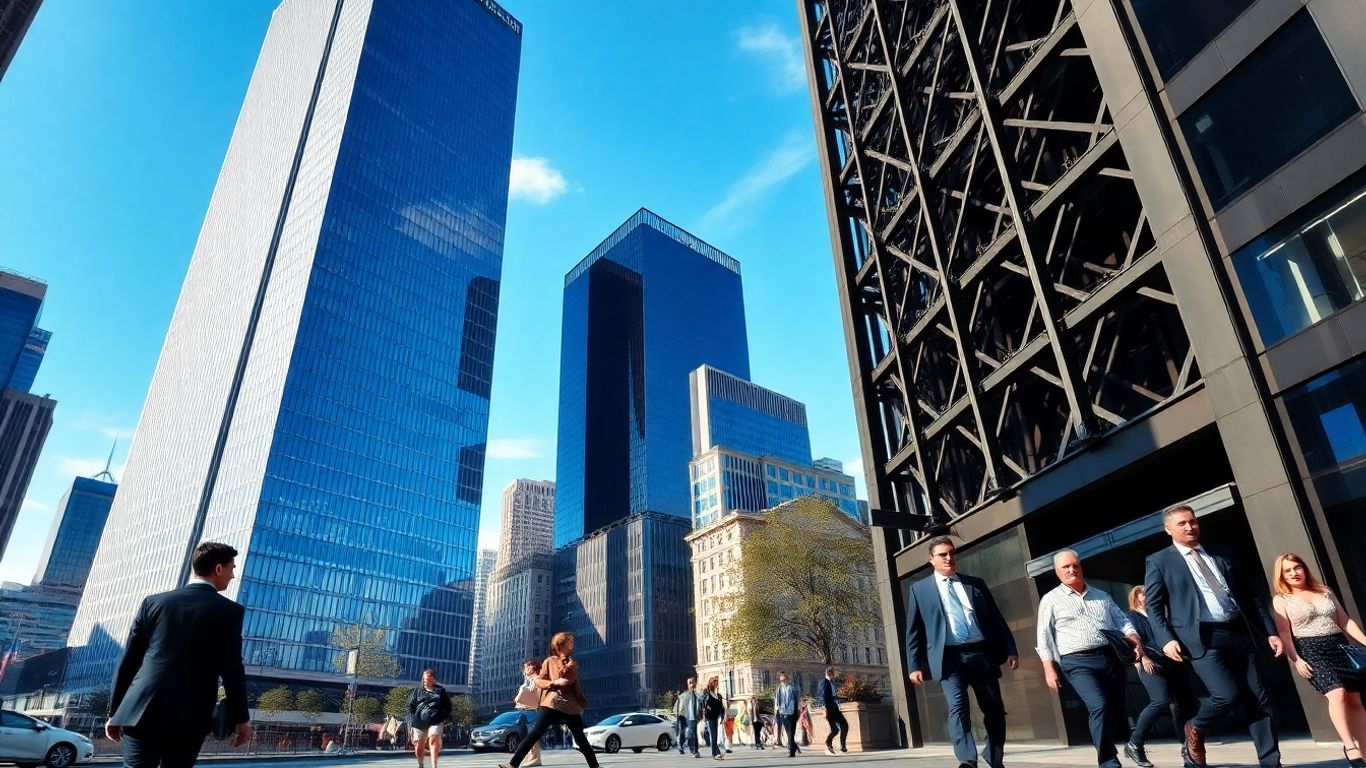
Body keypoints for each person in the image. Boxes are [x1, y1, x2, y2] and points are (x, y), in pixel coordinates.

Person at [1144, 504, 1284, 768]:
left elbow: (1251, 596)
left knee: (1259, 699)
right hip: (1201, 637)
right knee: (1226, 695)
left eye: (1193, 521)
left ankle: (1271, 762)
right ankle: (1195, 727)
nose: (1190, 527)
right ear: (1168, 529)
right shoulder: (1159, 560)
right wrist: (1166, 639)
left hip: (1239, 633)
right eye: (1183, 523)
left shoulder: (1221, 553)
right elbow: (1153, 606)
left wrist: (1270, 632)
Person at [105, 541, 253, 768]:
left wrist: (116, 711)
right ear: (218, 569)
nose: (233, 576)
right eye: (232, 568)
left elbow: (129, 661)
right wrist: (241, 718)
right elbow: (232, 668)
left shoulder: (152, 602)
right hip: (191, 715)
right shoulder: (230, 611)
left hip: (141, 710)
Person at [905, 536, 1018, 768]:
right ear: (931, 559)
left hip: (981, 654)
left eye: (951, 553)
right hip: (948, 659)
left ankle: (994, 757)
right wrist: (914, 665)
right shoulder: (920, 590)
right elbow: (913, 631)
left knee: (994, 709)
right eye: (943, 554)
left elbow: (996, 619)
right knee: (958, 708)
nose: (949, 558)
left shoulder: (975, 583)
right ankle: (967, 759)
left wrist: (1010, 648)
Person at [1036, 550, 1142, 768]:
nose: (1071, 570)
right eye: (1065, 567)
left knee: (1113, 708)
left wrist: (1133, 637)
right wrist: (1049, 669)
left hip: (1109, 657)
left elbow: (1122, 621)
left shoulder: (1102, 595)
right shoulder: (1050, 600)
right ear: (1057, 572)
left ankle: (1121, 748)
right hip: (1076, 663)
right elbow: (1043, 637)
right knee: (1098, 705)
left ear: (1081, 567)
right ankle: (1108, 761)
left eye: (1075, 565)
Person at [1270, 552, 1366, 768]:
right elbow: (1285, 634)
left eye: (1297, 567)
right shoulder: (1281, 599)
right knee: (1337, 693)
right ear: (1282, 575)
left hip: (1338, 646)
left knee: (1355, 702)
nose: (1294, 573)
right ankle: (1349, 746)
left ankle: (1365, 752)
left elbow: (1344, 621)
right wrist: (1296, 660)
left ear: (1304, 568)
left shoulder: (1324, 591)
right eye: (1288, 570)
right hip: (1310, 650)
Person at [499, 632, 599, 768]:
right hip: (550, 704)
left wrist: (581, 700)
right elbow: (540, 681)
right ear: (559, 646)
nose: (571, 646)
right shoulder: (549, 661)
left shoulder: (572, 663)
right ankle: (513, 764)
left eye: (571, 643)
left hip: (569, 706)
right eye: (568, 643)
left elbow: (572, 682)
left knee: (580, 738)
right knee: (535, 733)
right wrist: (552, 683)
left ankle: (595, 766)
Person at [1126, 585, 1197, 768]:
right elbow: (1133, 640)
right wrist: (1144, 658)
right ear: (1135, 598)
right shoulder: (1132, 617)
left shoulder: (1159, 614)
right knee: (1160, 701)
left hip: (1173, 662)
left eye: (1148, 592)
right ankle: (1135, 742)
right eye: (1142, 593)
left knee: (1185, 704)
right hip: (1150, 663)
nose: (1146, 596)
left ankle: (1187, 747)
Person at [407, 669, 451, 768]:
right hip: (419, 723)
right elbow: (410, 708)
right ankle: (421, 764)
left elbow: (448, 706)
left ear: (433, 679)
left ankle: (434, 766)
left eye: (428, 679)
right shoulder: (417, 691)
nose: (426, 681)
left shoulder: (440, 691)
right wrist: (411, 723)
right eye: (424, 679)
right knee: (419, 747)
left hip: (436, 721)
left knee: (434, 738)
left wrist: (443, 718)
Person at [515, 660, 543, 767]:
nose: (524, 670)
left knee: (532, 736)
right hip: (530, 711)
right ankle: (532, 757)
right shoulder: (531, 681)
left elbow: (539, 698)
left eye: (527, 667)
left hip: (536, 712)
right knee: (529, 735)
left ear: (533, 667)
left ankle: (536, 759)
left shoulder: (537, 680)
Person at [817, 667, 848, 755]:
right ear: (829, 673)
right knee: (835, 729)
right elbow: (822, 695)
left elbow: (832, 696)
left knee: (844, 725)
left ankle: (842, 746)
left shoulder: (832, 682)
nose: (834, 675)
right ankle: (828, 743)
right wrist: (824, 707)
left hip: (834, 707)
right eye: (833, 673)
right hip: (829, 708)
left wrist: (843, 698)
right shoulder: (824, 681)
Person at [773, 672, 802, 758]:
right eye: (781, 680)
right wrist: (776, 710)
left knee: (791, 732)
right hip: (783, 712)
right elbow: (776, 700)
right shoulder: (779, 689)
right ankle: (794, 746)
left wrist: (798, 709)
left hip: (792, 712)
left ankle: (791, 750)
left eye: (783, 680)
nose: (782, 682)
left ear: (787, 679)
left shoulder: (793, 688)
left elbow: (798, 699)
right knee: (788, 732)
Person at [702, 676, 726, 760]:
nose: (717, 684)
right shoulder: (706, 693)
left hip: (715, 717)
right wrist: (704, 714)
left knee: (715, 735)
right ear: (712, 683)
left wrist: (722, 715)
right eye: (716, 683)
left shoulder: (718, 695)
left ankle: (717, 752)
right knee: (713, 735)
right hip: (709, 717)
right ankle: (714, 754)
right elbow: (703, 704)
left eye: (717, 683)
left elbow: (721, 707)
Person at [678, 677, 701, 756]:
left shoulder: (698, 694)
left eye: (692, 682)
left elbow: (700, 706)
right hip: (684, 717)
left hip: (693, 717)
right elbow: (679, 707)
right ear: (687, 684)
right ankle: (682, 746)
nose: (691, 684)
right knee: (683, 733)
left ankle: (695, 750)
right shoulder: (684, 695)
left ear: (695, 683)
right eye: (689, 683)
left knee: (693, 734)